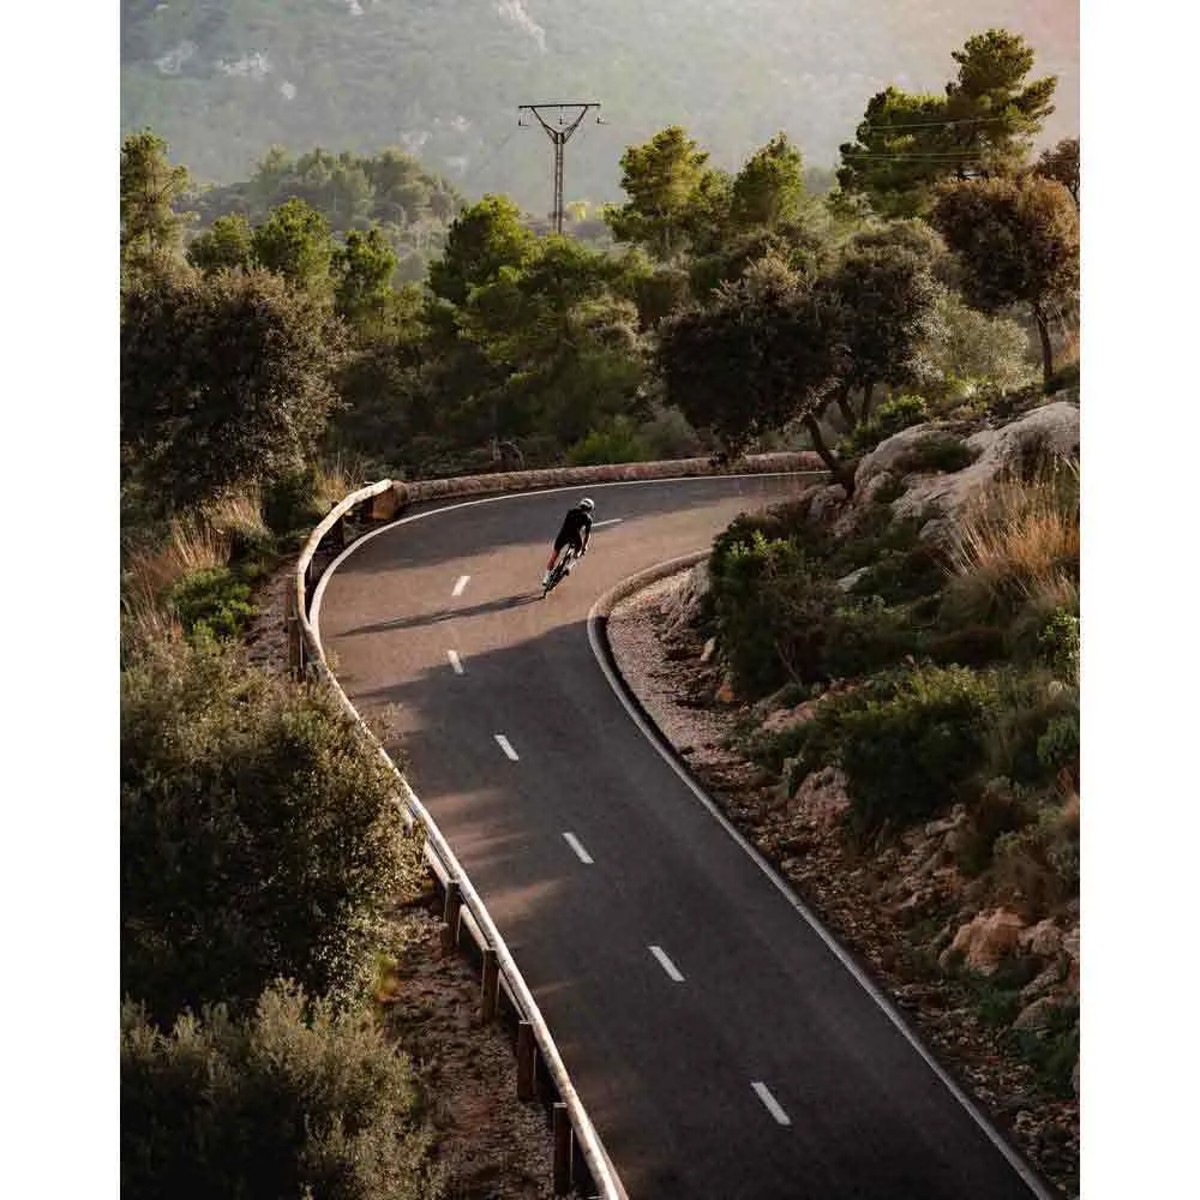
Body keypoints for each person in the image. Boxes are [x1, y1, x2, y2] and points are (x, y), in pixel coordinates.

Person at [543, 497, 594, 586]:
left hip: (563, 535)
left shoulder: (570, 512)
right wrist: (585, 546)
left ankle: (546, 577)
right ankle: (569, 566)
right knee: (579, 552)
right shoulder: (588, 519)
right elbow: (587, 534)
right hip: (575, 538)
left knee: (554, 556)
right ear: (590, 509)